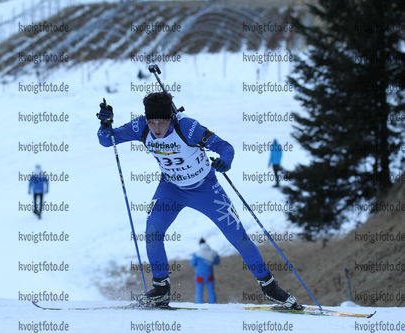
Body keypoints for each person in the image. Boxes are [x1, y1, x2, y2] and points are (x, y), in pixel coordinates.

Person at [97, 91, 298, 309]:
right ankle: (161, 290)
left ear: (170, 119)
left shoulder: (188, 128)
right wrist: (105, 124)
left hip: (206, 189)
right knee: (152, 231)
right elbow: (108, 140)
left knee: (238, 237)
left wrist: (225, 161)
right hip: (171, 189)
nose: (156, 128)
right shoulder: (140, 127)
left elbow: (224, 146)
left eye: (162, 122)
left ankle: (270, 288)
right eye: (152, 121)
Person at [190, 238, 220, 304]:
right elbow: (217, 262)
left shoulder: (197, 253)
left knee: (199, 291)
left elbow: (192, 264)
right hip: (210, 275)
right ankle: (213, 304)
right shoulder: (213, 252)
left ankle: (199, 304)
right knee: (211, 291)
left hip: (199, 275)